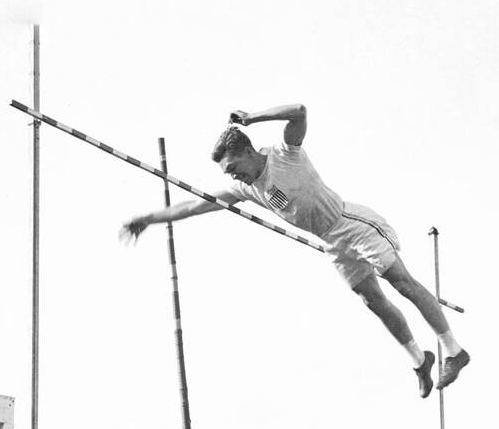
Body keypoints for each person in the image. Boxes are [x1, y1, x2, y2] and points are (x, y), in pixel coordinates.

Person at [121, 104, 470, 398]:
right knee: (374, 302)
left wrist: (252, 118)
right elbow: (195, 206)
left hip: (351, 222)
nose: (235, 176)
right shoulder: (246, 190)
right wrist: (149, 219)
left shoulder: (285, 155)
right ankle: (419, 361)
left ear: (247, 152)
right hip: (331, 242)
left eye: (234, 168)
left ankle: (453, 351)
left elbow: (299, 112)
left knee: (402, 283)